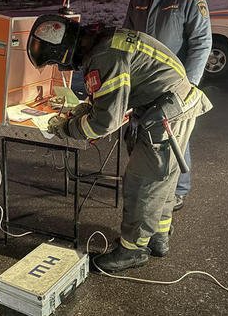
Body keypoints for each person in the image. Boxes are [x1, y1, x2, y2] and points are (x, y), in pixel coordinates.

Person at [27, 15, 212, 272]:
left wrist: (67, 128)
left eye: (58, 62)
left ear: (65, 52)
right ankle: (158, 237)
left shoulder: (103, 57)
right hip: (170, 104)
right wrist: (84, 110)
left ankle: (132, 250)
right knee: (162, 180)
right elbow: (112, 95)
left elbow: (103, 123)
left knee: (143, 182)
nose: (61, 68)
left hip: (166, 113)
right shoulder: (104, 41)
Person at [123, 0, 212, 211]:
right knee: (141, 131)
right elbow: (126, 37)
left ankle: (179, 190)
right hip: (142, 81)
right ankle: (148, 181)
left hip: (175, 84)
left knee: (173, 135)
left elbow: (201, 43)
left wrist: (189, 86)